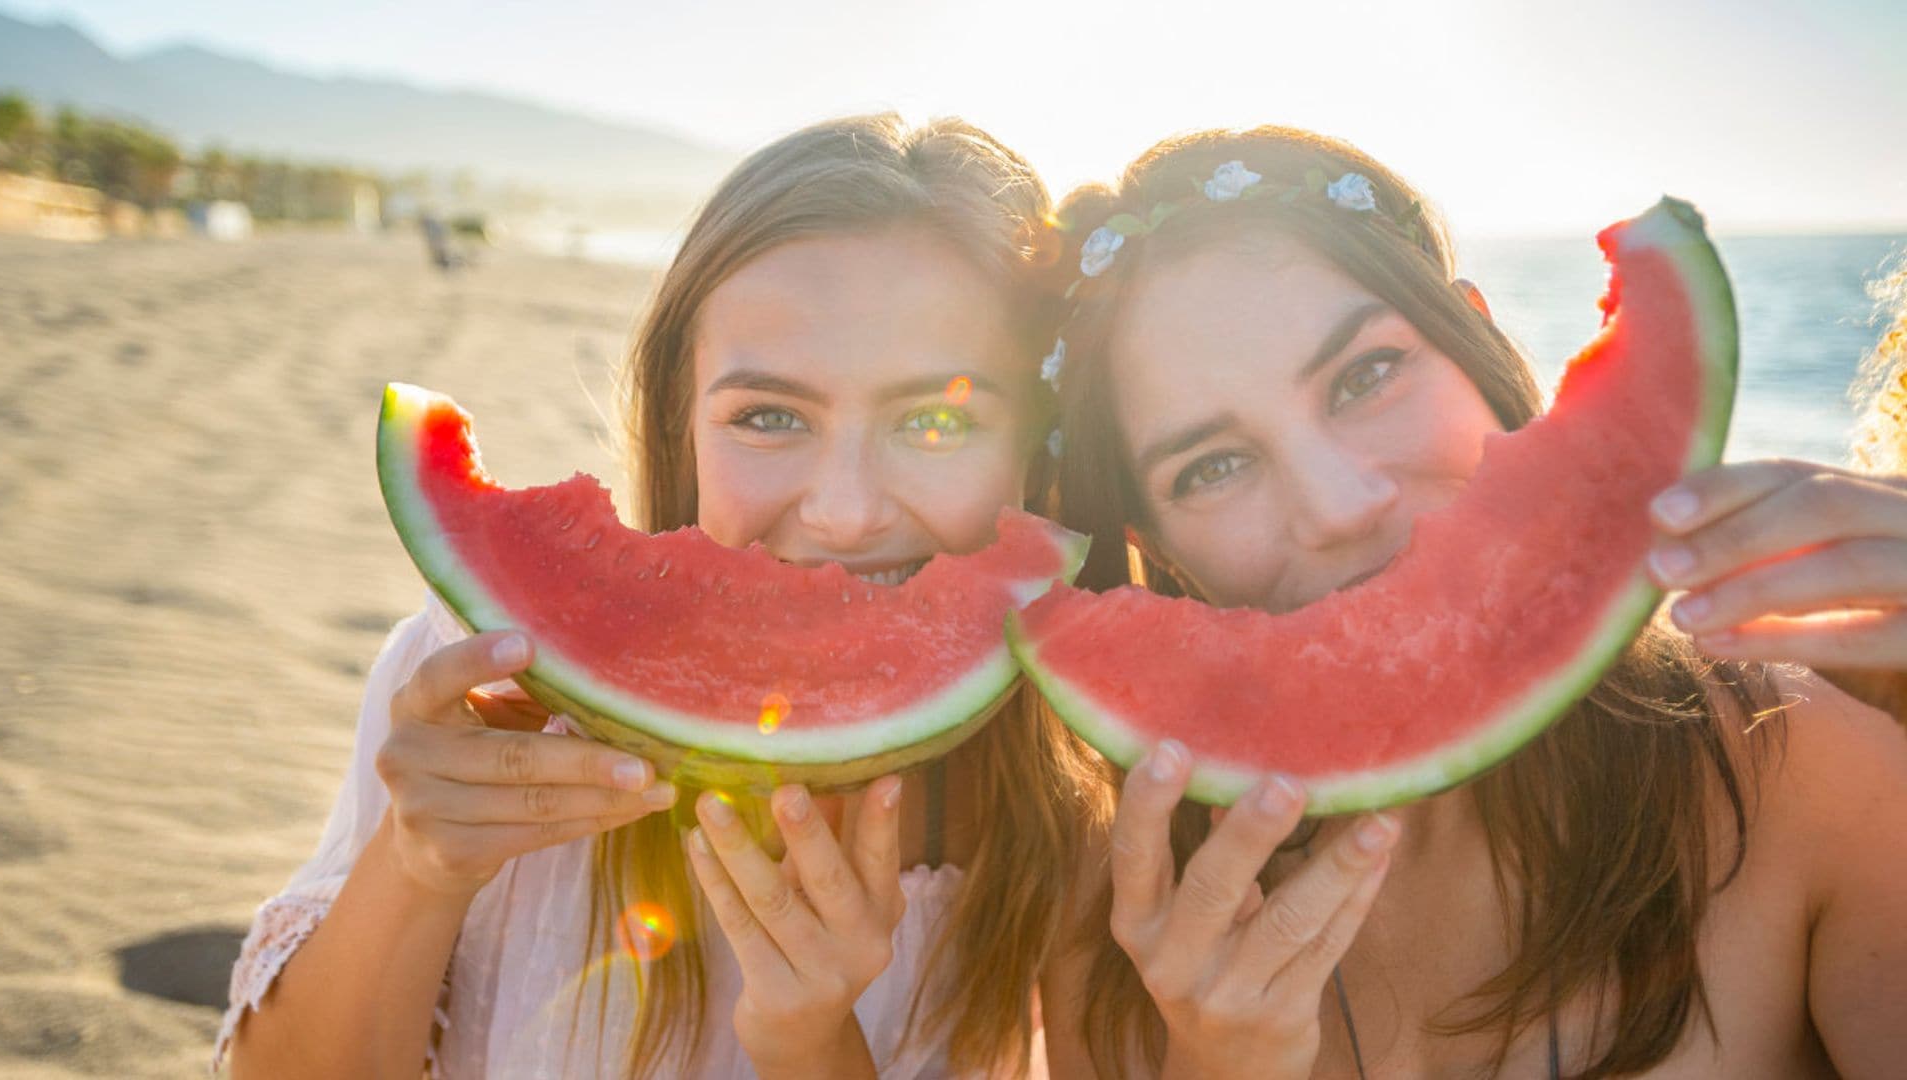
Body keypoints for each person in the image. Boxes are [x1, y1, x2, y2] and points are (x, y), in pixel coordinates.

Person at [217, 113, 1108, 1079]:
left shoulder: (1077, 811)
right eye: (769, 416)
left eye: (936, 421)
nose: (845, 513)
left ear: (1035, 445)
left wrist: (811, 1047)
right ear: (681, 422)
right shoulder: (483, 689)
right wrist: (417, 866)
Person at [1032, 126, 1907, 1077]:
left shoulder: (1800, 771)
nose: (1340, 505)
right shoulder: (1120, 912)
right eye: (1214, 467)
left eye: (1367, 374)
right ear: (1153, 548)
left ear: (1476, 338)